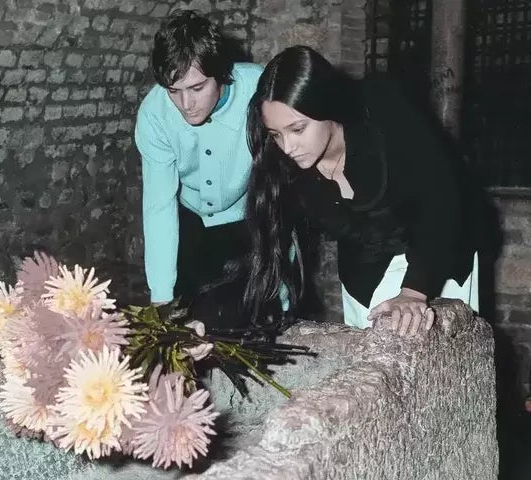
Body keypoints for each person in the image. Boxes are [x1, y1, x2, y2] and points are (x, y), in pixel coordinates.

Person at [243, 45, 481, 335]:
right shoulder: (283, 163)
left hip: (436, 255)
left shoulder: (383, 108)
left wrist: (414, 292)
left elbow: (440, 201)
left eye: (298, 129)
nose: (288, 147)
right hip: (365, 273)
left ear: (326, 108)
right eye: (276, 134)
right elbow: (268, 245)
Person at [134, 10, 288, 329]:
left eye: (197, 88)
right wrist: (161, 299)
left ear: (221, 73)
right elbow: (159, 205)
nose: (185, 104)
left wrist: (281, 283)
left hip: (249, 217)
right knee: (193, 327)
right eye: (173, 91)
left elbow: (281, 188)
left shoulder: (259, 90)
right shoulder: (153, 113)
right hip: (190, 220)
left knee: (257, 321)